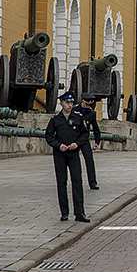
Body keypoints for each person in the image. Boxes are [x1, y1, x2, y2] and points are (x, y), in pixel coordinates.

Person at [45, 91, 89, 222]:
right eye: (67, 103)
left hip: (73, 154)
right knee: (61, 182)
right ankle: (64, 212)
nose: (69, 105)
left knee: (77, 181)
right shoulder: (55, 120)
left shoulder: (78, 117)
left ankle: (79, 212)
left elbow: (84, 135)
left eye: (71, 103)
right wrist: (58, 145)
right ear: (61, 104)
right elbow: (49, 136)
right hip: (60, 154)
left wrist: (77, 144)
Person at [73, 95, 102, 190]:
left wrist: (97, 142)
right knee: (73, 160)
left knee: (89, 159)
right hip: (74, 138)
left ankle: (92, 182)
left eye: (90, 104)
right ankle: (76, 181)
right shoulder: (74, 110)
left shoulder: (91, 113)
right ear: (82, 101)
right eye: (86, 104)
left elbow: (96, 128)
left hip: (84, 139)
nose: (88, 106)